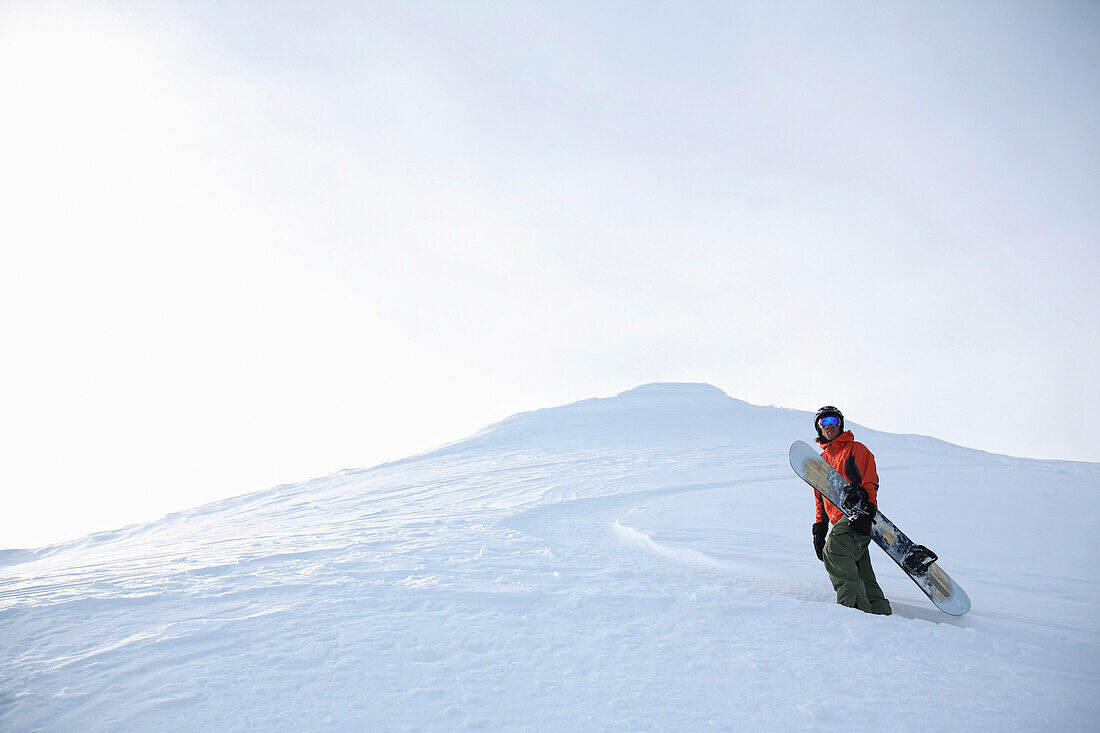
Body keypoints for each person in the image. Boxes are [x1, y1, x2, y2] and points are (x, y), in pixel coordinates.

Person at [810, 406, 892, 615]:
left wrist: (869, 509)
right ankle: (878, 612)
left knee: (834, 551)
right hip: (840, 520)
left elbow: (869, 480)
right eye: (824, 423)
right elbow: (821, 498)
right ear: (819, 428)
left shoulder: (856, 449)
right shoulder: (822, 462)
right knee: (860, 569)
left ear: (840, 425)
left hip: (858, 514)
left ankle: (854, 611)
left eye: (833, 421)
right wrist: (820, 527)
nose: (829, 426)